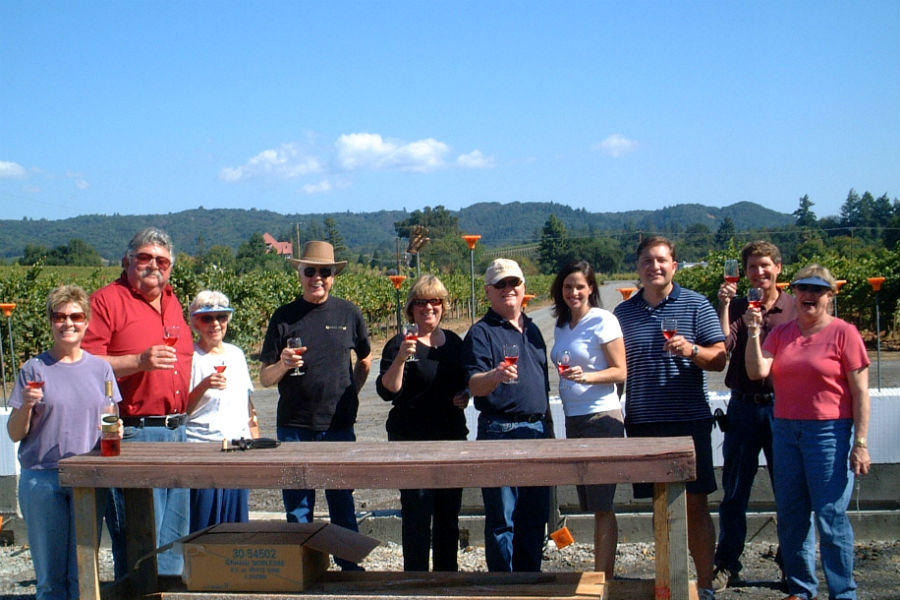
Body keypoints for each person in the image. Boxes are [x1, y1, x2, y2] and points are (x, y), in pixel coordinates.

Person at [745, 264, 870, 600]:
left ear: (830, 295)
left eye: (817, 290)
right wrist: (754, 333)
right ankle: (801, 590)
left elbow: (860, 393)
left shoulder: (845, 333)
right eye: (803, 289)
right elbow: (758, 370)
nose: (808, 296)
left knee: (830, 517)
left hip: (829, 433)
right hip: (785, 431)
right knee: (791, 515)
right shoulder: (783, 333)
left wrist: (860, 443)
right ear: (795, 292)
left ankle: (843, 592)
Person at [613, 236, 726, 600]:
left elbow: (720, 358)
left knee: (695, 503)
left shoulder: (696, 304)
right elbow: (618, 370)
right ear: (639, 267)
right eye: (647, 260)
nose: (654, 266)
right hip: (644, 422)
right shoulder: (624, 313)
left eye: (662, 260)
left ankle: (705, 585)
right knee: (660, 508)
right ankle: (668, 583)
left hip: (689, 422)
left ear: (674, 266)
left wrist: (692, 350)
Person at [82, 226, 193, 576]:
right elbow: (84, 365)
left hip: (178, 433)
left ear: (171, 267)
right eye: (144, 258)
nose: (153, 266)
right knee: (139, 540)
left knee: (175, 539)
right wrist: (138, 362)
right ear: (126, 261)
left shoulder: (174, 302)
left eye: (162, 260)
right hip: (134, 434)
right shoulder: (106, 301)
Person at [259, 240, 372, 571]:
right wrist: (282, 364)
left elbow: (365, 359)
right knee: (297, 508)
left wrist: (351, 392)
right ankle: (302, 572)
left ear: (334, 275)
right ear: (300, 273)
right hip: (293, 427)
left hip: (338, 428)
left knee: (342, 503)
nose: (317, 277)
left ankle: (349, 569)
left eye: (325, 271)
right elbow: (265, 378)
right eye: (311, 271)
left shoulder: (349, 313)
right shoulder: (284, 316)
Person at [7, 285, 122, 600]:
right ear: (50, 321)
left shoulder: (102, 369)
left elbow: (111, 416)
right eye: (60, 316)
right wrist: (27, 404)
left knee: (83, 575)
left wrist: (116, 430)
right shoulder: (34, 369)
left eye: (75, 316)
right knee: (50, 580)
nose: (67, 323)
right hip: (43, 479)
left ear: (87, 322)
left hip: (87, 477)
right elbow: (15, 433)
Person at [712, 241, 796, 591]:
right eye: (752, 267)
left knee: (790, 491)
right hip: (744, 407)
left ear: (778, 268)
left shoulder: (793, 308)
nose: (759, 273)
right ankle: (728, 564)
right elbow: (721, 343)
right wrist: (726, 304)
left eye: (765, 266)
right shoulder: (742, 306)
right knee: (734, 492)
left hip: (785, 407)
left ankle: (792, 563)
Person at [462, 258, 551, 572]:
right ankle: (503, 586)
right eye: (500, 284)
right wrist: (495, 376)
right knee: (502, 519)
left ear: (524, 288)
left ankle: (529, 583)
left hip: (537, 433)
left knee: (534, 515)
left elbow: (542, 385)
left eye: (513, 283)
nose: (508, 289)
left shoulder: (535, 330)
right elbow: (473, 384)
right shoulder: (481, 333)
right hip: (499, 432)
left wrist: (549, 430)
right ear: (488, 291)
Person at [376, 275, 469, 571]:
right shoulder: (399, 344)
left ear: (443, 306)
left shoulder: (454, 343)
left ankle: (445, 579)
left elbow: (466, 382)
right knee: (416, 513)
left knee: (448, 514)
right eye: (421, 302)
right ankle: (414, 579)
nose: (429, 307)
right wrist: (401, 358)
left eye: (435, 301)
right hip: (410, 442)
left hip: (450, 440)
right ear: (411, 309)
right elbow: (387, 391)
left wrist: (466, 394)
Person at [549, 260, 626, 578]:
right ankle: (600, 575)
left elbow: (621, 371)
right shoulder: (562, 324)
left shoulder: (603, 321)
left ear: (591, 288)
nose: (574, 292)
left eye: (580, 286)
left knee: (602, 505)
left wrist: (589, 377)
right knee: (592, 503)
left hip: (601, 420)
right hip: (574, 420)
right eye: (568, 286)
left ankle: (603, 578)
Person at [185, 290, 255, 531]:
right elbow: (184, 410)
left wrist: (255, 440)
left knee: (236, 524)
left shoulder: (236, 354)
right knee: (203, 523)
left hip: (237, 448)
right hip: (204, 449)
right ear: (195, 322)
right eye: (207, 318)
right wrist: (204, 385)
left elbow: (247, 403)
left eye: (221, 317)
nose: (215, 324)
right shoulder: (191, 358)